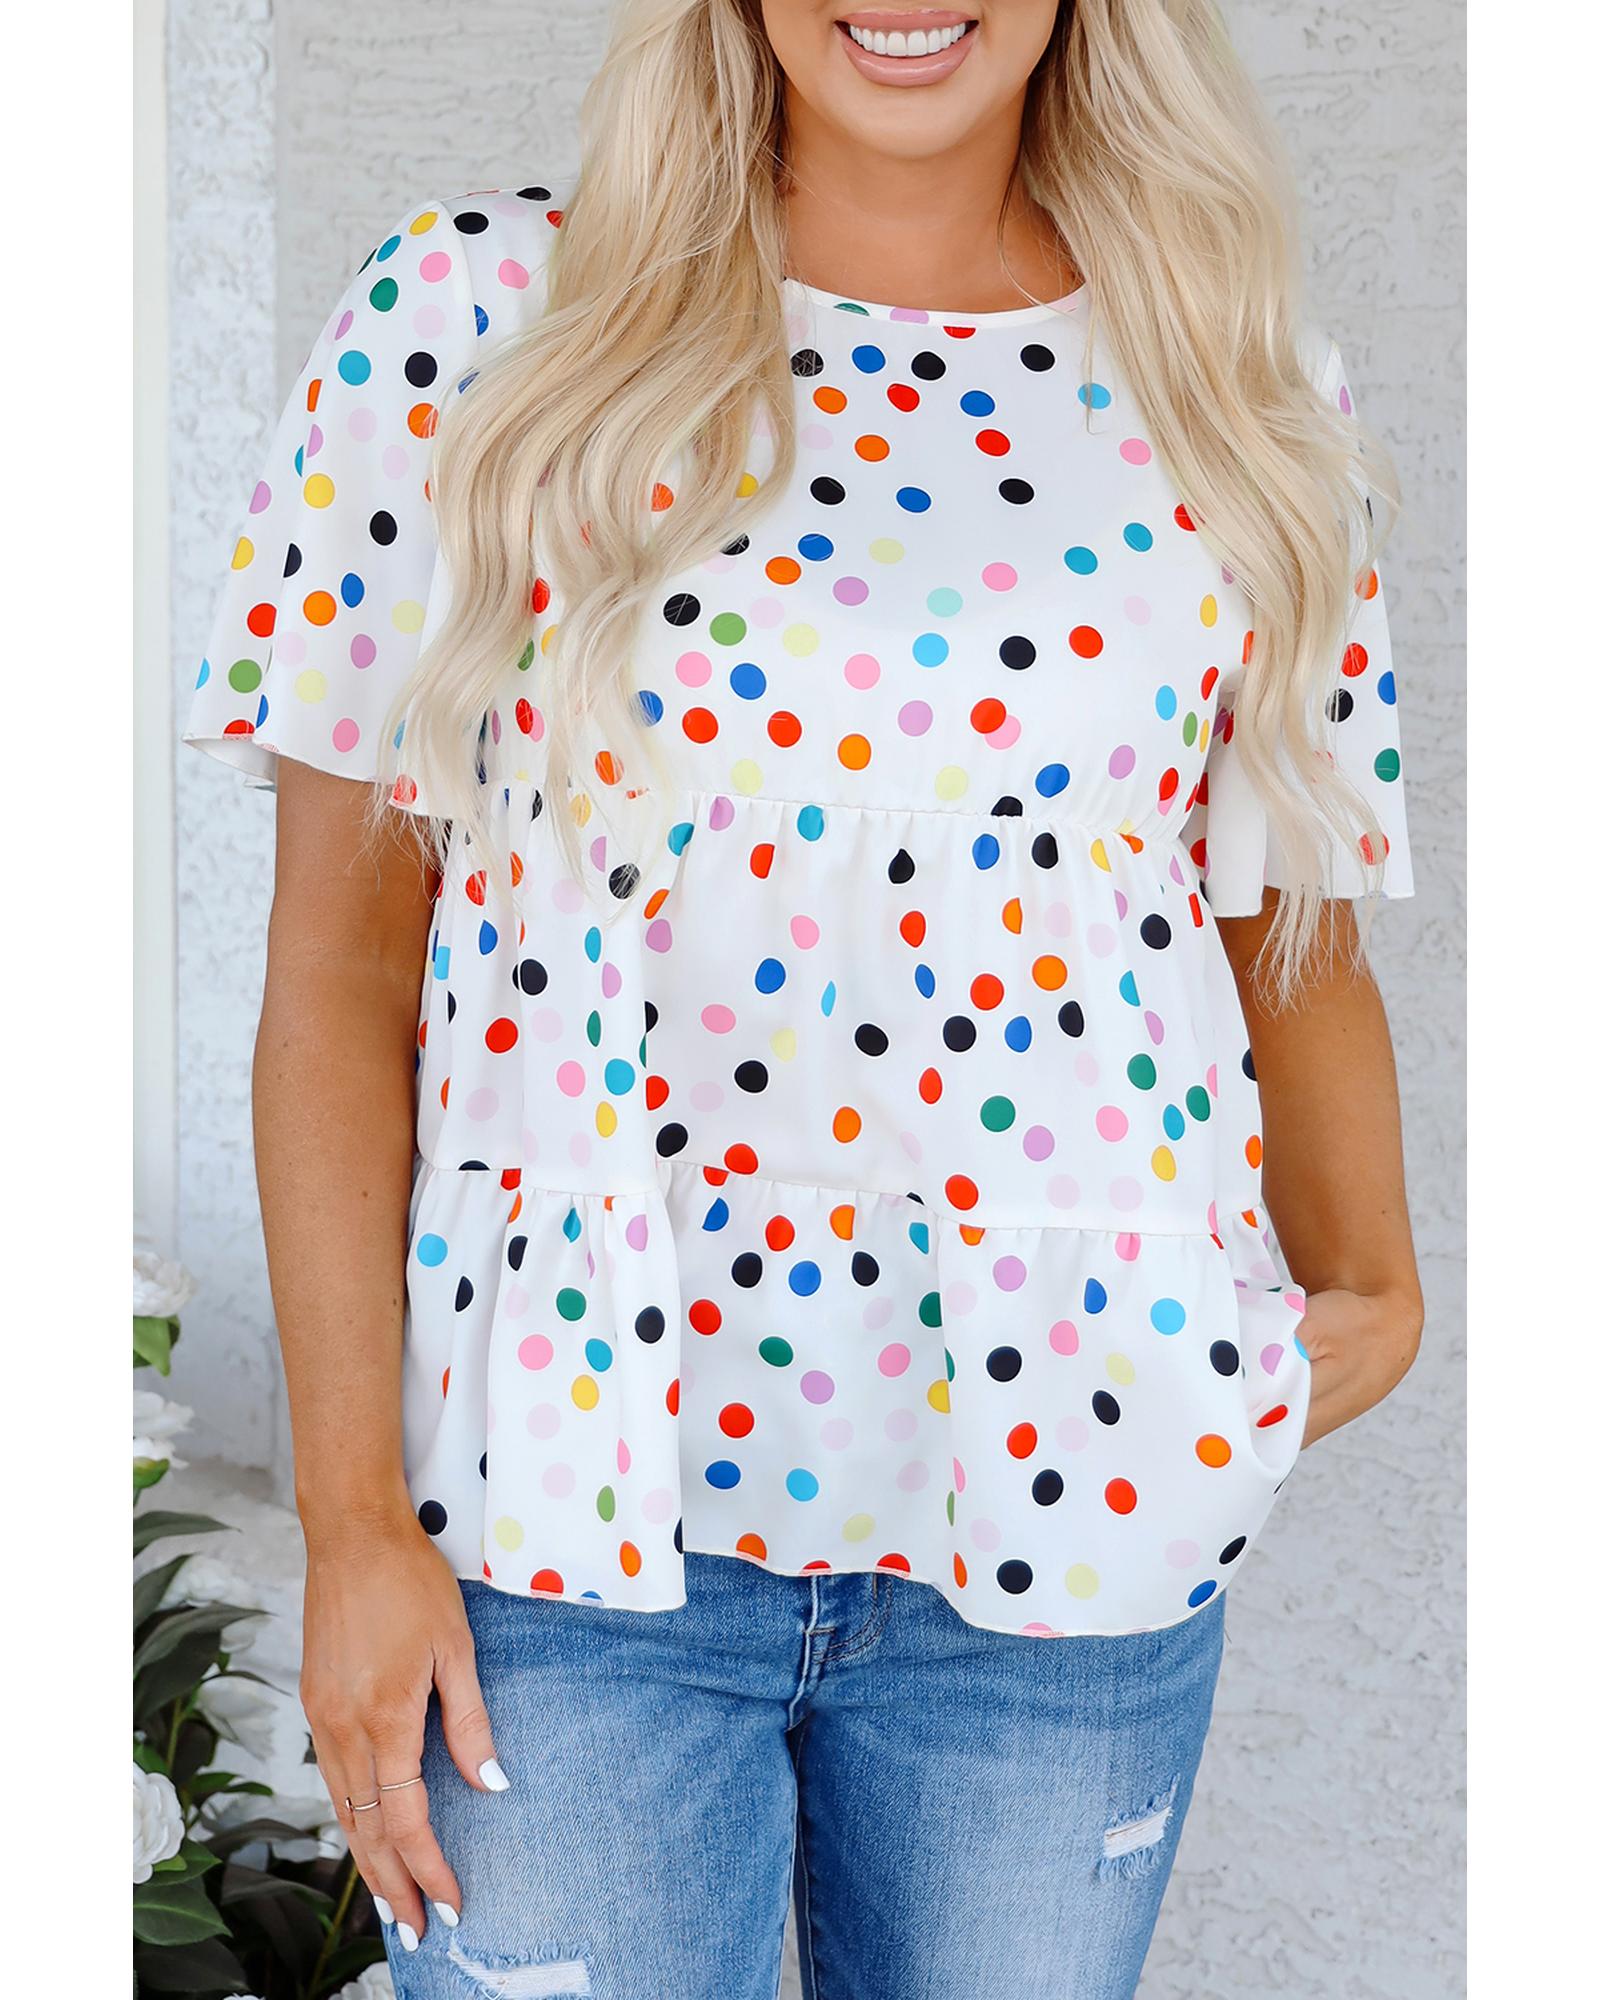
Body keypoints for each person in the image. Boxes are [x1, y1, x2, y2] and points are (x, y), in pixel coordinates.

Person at [181, 3, 1425, 1995]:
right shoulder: (482, 315)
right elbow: (338, 969)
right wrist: (353, 1522)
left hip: (1072, 1514)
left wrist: (1377, 1289)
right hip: (561, 1528)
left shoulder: (1233, 369)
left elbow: (1292, 924)